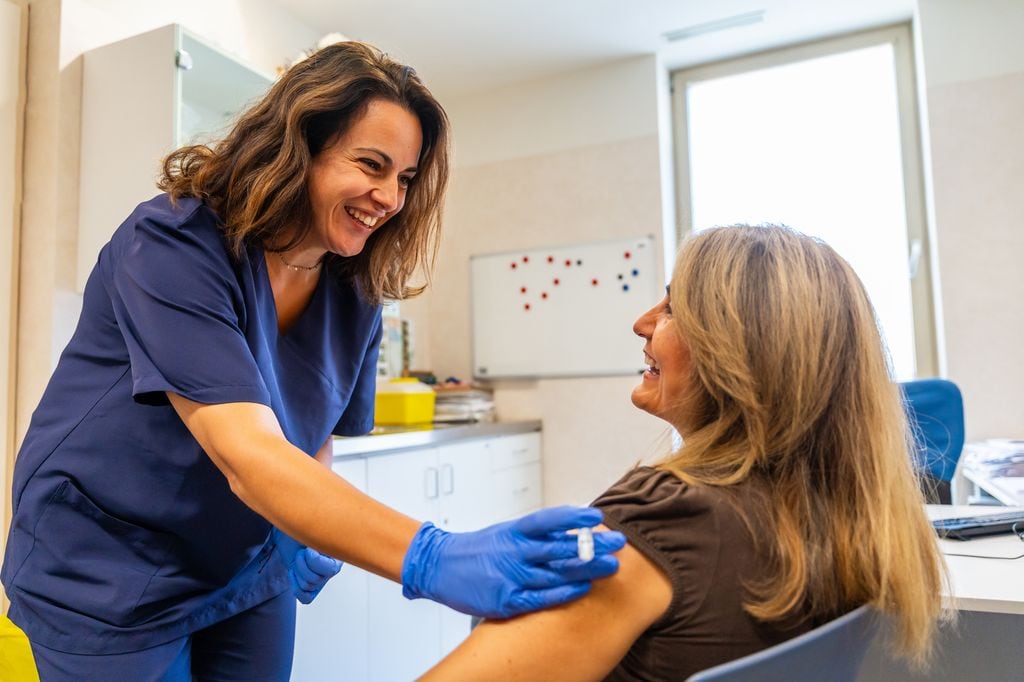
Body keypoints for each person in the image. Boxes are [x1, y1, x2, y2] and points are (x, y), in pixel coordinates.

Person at [0, 41, 624, 680]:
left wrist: (298, 528)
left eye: (405, 179)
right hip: (108, 564)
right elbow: (247, 452)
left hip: (243, 559)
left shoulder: (355, 288)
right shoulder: (174, 243)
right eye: (371, 164)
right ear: (298, 148)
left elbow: (310, 435)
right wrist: (432, 558)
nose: (389, 197)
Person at [423, 225, 947, 680]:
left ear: (739, 349)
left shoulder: (666, 519)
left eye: (673, 308)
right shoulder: (850, 513)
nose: (643, 322)